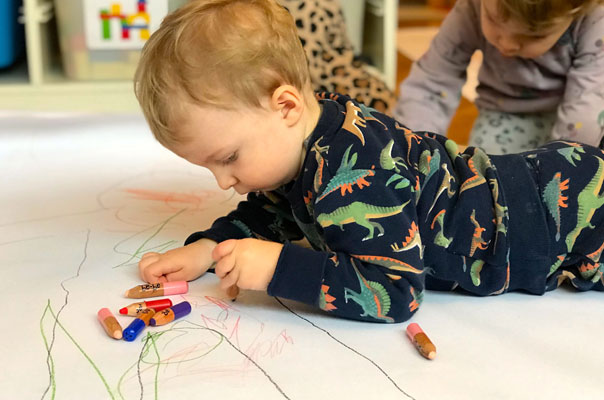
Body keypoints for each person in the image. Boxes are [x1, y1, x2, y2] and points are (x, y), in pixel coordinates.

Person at [134, 0, 604, 324]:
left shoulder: (352, 169)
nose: (223, 182)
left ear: (286, 106)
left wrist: (280, 268)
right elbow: (271, 213)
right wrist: (207, 250)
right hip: (538, 184)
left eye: (229, 158)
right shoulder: (303, 139)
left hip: (560, 221)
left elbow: (395, 290)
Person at [394, 0, 604, 154]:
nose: (507, 45)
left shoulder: (595, 20)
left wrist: (561, 166)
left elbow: (587, 112)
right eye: (494, 20)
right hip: (504, 112)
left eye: (534, 35)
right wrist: (414, 147)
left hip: (576, 119)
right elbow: (432, 79)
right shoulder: (472, 7)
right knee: (488, 185)